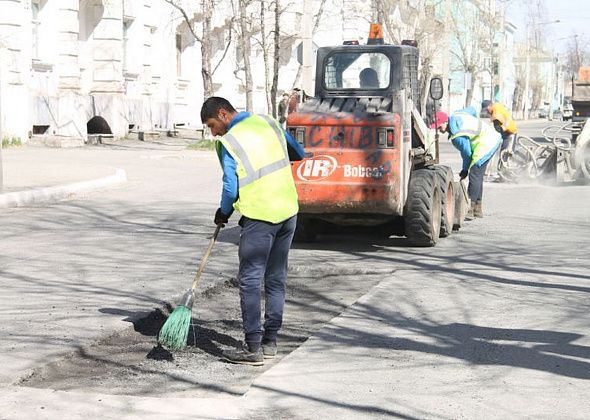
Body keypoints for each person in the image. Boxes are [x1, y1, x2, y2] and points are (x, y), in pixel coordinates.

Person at [200, 97, 305, 366]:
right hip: (288, 211)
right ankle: (270, 342)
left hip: (260, 215)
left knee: (249, 280)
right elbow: (298, 152)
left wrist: (223, 213)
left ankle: (252, 348)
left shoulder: (229, 142)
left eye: (212, 125)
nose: (213, 132)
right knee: (276, 278)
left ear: (223, 114)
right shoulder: (268, 122)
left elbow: (230, 188)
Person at [431, 110, 501, 219]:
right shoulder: (457, 115)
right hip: (492, 137)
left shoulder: (457, 136)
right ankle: (478, 209)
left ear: (445, 122)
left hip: (486, 143)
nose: (439, 130)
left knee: (474, 175)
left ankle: (470, 209)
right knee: (478, 176)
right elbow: (472, 110)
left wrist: (465, 169)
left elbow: (467, 153)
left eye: (439, 127)